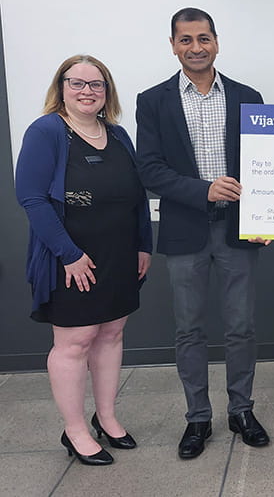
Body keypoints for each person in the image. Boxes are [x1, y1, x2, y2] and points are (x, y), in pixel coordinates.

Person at [136, 7, 269, 459]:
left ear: (217, 42)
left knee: (241, 327)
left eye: (203, 38)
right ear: (173, 45)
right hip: (185, 230)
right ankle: (197, 418)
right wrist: (203, 190)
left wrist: (271, 214)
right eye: (186, 40)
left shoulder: (249, 96)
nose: (196, 47)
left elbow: (265, 166)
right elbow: (150, 170)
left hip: (238, 232)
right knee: (189, 330)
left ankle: (242, 410)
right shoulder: (152, 101)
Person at [15, 55, 153, 465]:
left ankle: (106, 418)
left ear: (106, 92)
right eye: (77, 83)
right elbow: (32, 199)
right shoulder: (46, 132)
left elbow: (137, 197)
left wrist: (143, 245)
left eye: (96, 85)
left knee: (111, 334)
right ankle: (74, 430)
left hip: (119, 255)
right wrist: (69, 254)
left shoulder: (118, 134)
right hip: (70, 258)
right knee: (74, 343)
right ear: (61, 87)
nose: (87, 91)